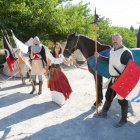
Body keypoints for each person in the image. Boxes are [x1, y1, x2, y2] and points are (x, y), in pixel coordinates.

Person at [95, 34, 133, 127]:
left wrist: (123, 80)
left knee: (122, 100)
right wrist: (100, 57)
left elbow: (131, 68)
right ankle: (104, 112)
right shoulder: (112, 50)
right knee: (108, 96)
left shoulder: (125, 52)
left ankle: (123, 120)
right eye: (113, 39)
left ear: (121, 40)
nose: (114, 41)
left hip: (122, 80)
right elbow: (110, 61)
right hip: (113, 79)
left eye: (117, 39)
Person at [45, 42, 72, 106]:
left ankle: (61, 100)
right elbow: (48, 64)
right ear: (54, 48)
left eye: (58, 48)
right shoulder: (50, 55)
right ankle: (55, 99)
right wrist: (46, 72)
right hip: (52, 71)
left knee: (64, 82)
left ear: (60, 49)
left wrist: (70, 60)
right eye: (56, 48)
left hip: (59, 71)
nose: (57, 49)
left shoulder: (61, 55)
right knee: (54, 85)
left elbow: (66, 63)